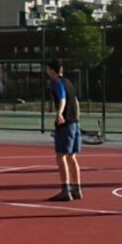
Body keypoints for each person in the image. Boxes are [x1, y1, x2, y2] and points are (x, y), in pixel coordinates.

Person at [45, 59, 83, 201]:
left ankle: (65, 189)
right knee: (71, 156)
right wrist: (77, 119)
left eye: (47, 68)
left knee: (61, 156)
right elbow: (76, 102)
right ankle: (77, 188)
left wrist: (60, 113)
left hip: (66, 124)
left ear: (51, 70)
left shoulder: (57, 83)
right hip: (74, 123)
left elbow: (62, 98)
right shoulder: (69, 83)